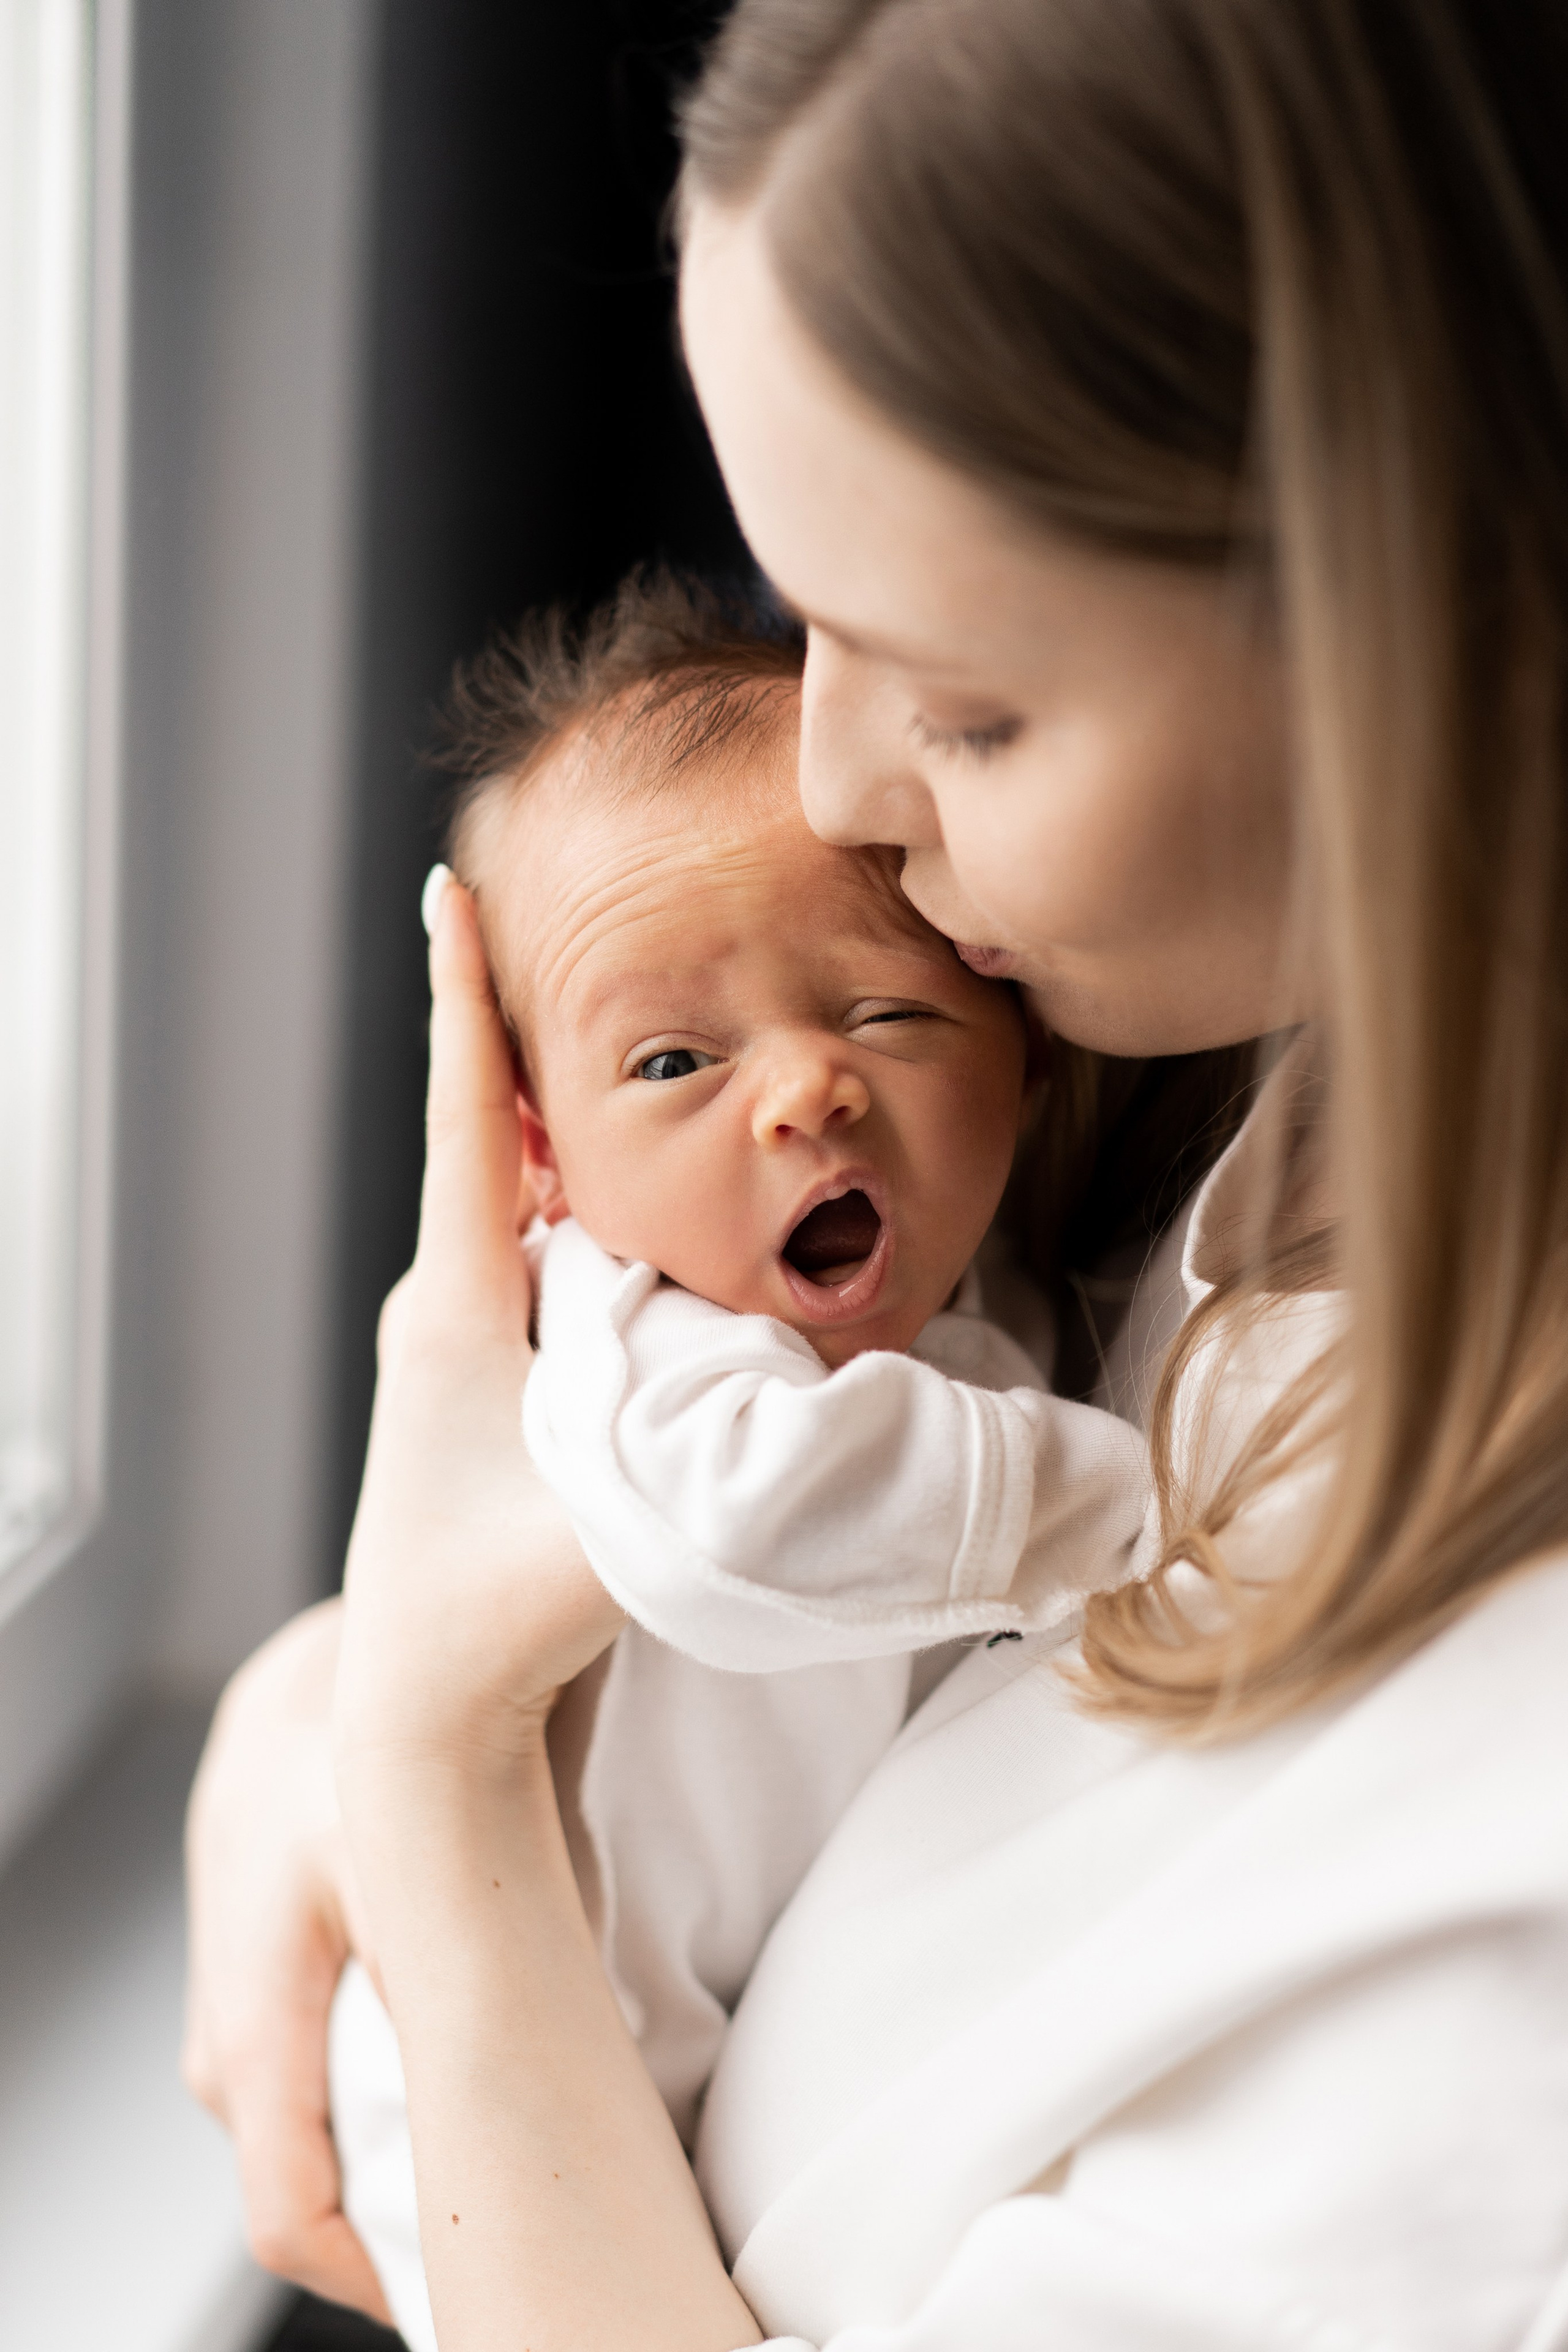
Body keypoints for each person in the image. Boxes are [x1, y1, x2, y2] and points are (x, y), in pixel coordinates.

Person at [184, 2, 1568, 2346]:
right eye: (800, 606)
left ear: (1448, 626)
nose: (830, 792)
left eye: (968, 696)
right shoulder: (1223, 1112)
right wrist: (313, 1702)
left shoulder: (1489, 1911)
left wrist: (424, 1759)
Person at [328, 571, 1152, 2351]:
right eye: (676, 1060)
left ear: (1016, 1035)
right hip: (494, 2116)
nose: (805, 1095)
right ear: (537, 1156)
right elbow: (752, 1521)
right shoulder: (637, 1345)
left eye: (888, 1016)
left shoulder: (968, 1273)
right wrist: (1148, 1518)